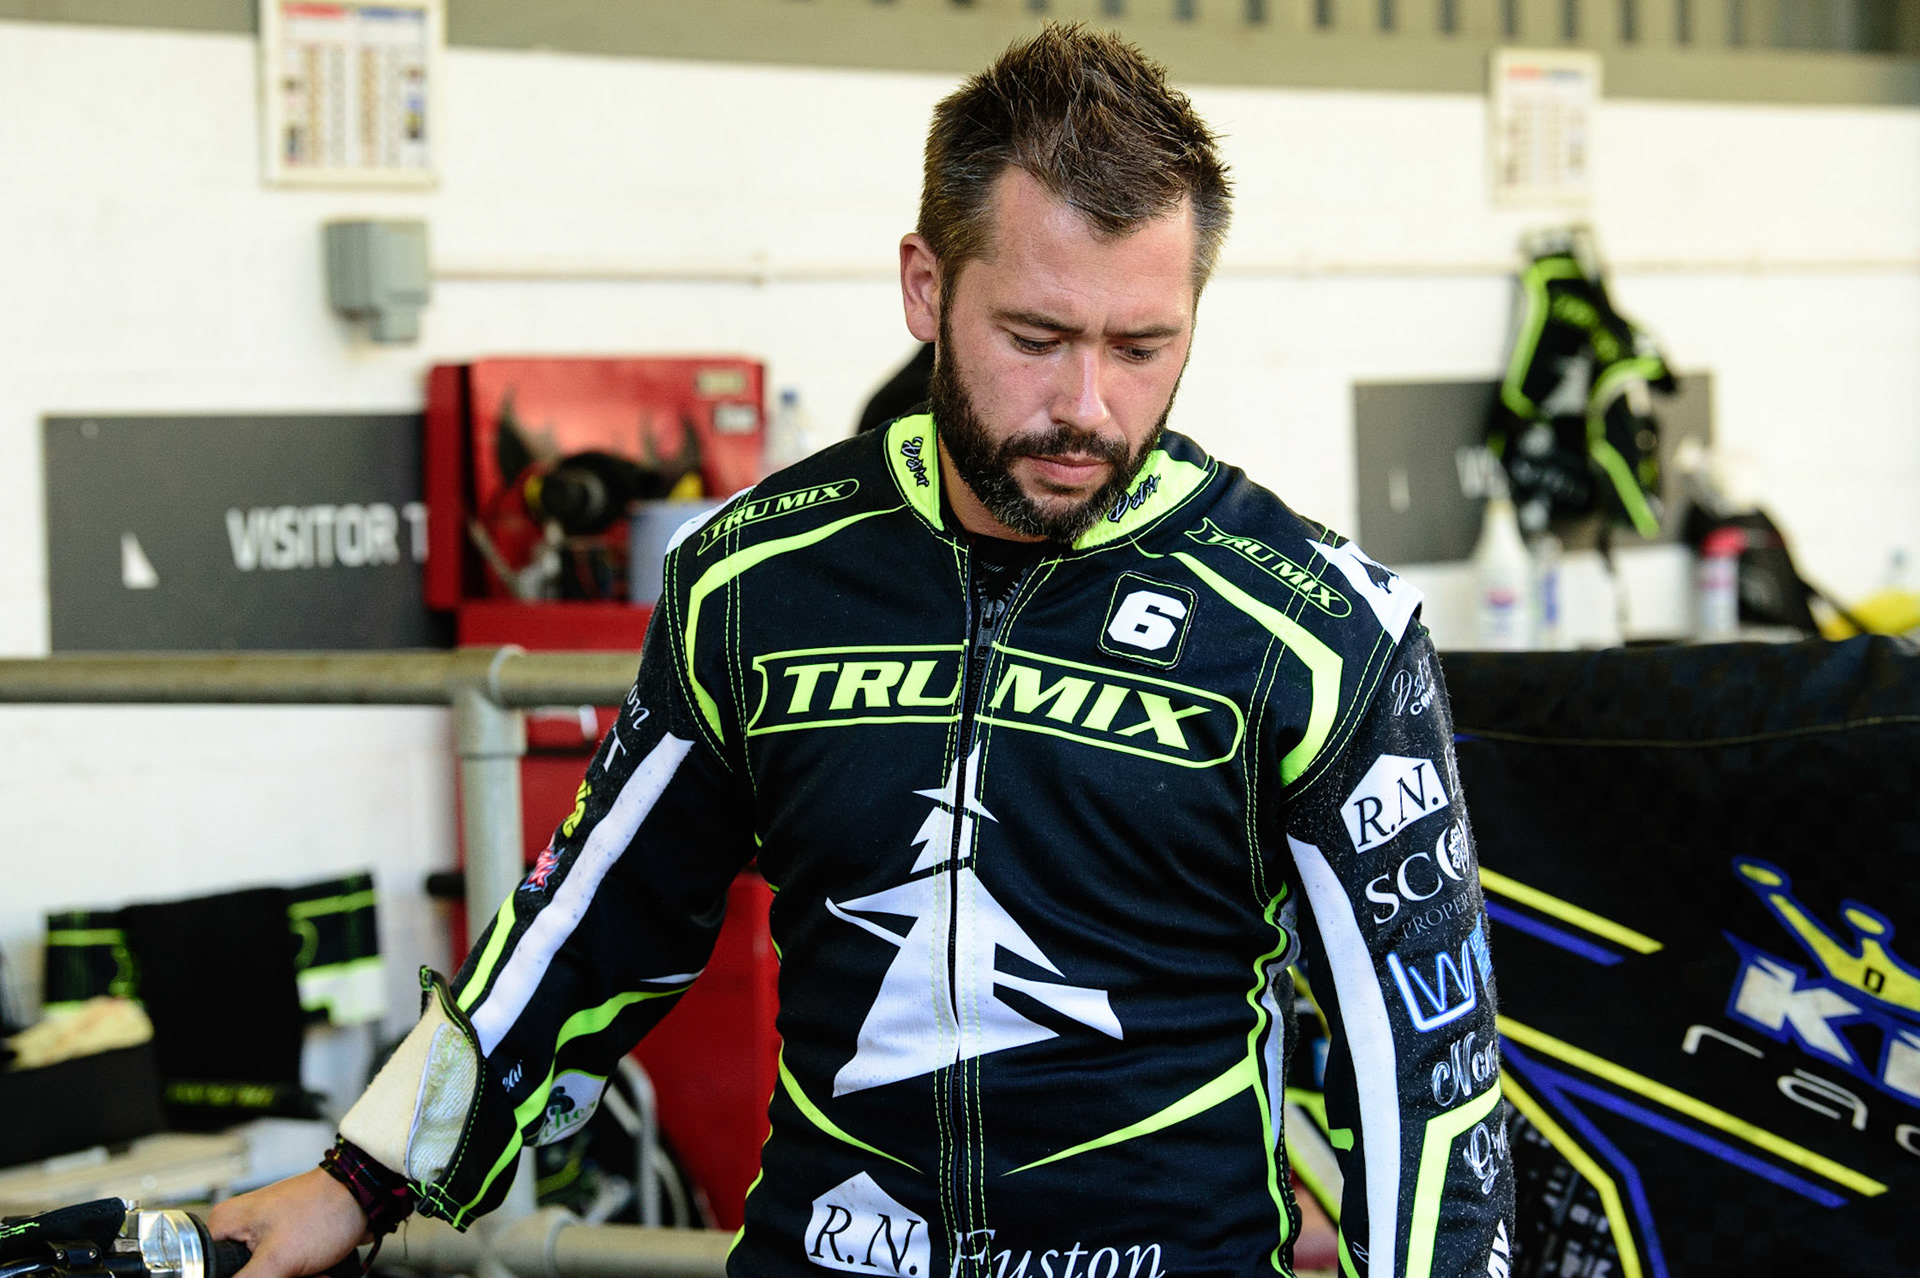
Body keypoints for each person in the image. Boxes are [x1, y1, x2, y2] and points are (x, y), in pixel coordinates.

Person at [214, 23, 1512, 1278]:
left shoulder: (1320, 631)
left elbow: (1427, 1083)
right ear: (926, 288)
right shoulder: (756, 580)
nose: (1087, 407)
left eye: (1142, 347)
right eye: (1037, 338)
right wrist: (364, 1178)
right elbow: (587, 925)